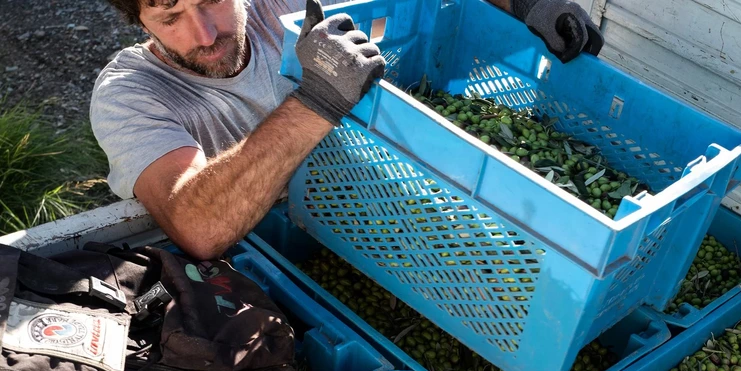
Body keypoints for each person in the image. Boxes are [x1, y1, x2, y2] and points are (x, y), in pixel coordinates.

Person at [91, 0, 603, 260]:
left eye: (210, 1)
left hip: (397, 219)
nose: (204, 35)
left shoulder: (282, 6)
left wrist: (528, 6)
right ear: (139, 19)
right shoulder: (130, 94)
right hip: (277, 262)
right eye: (170, 16)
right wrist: (319, 97)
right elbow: (198, 229)